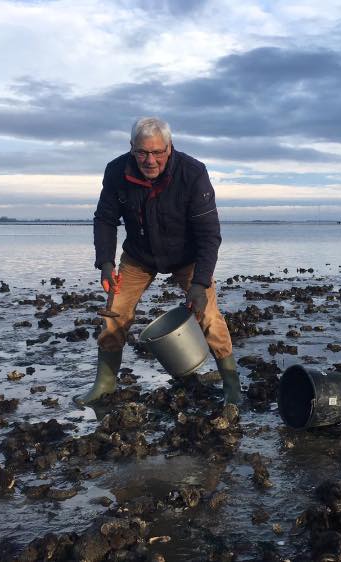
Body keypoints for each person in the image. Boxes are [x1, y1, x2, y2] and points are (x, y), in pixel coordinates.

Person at [75, 117, 240, 406]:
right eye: (142, 152)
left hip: (187, 257)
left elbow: (209, 235)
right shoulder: (116, 171)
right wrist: (105, 263)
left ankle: (231, 384)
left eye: (157, 152)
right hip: (139, 256)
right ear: (131, 149)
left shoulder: (192, 173)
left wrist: (200, 284)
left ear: (169, 147)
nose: (150, 160)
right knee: (115, 314)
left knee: (209, 316)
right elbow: (105, 219)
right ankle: (104, 383)